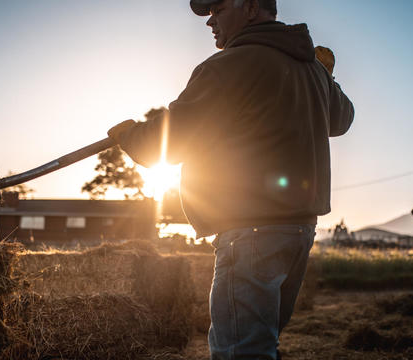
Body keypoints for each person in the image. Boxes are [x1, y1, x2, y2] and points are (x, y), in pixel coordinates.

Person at [107, 0, 354, 358]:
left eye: (218, 10)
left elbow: (168, 142)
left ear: (251, 7)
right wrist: (324, 78)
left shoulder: (227, 66)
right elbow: (342, 119)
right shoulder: (311, 69)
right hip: (299, 232)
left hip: (250, 234)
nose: (210, 22)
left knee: (241, 351)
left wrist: (129, 135)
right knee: (260, 342)